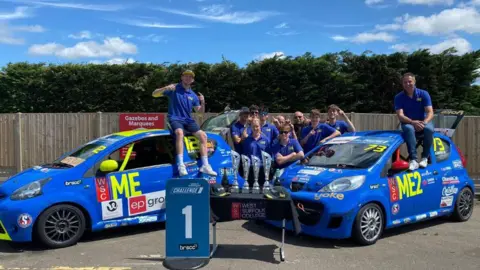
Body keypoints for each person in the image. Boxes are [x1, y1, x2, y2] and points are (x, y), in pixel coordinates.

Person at [152, 70, 217, 176]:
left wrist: (202, 102)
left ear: (193, 80)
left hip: (188, 120)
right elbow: (154, 94)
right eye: (185, 76)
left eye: (190, 77)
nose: (188, 78)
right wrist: (165, 88)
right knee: (179, 133)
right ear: (181, 77)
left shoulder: (193, 95)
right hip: (175, 118)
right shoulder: (174, 88)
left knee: (203, 136)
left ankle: (205, 165)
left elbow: (200, 113)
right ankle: (181, 164)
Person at [394, 72, 434, 170]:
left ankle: (425, 157)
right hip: (408, 123)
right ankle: (413, 160)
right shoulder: (398, 97)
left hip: (423, 121)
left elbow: (430, 112)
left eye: (409, 81)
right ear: (402, 84)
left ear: (414, 82)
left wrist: (424, 123)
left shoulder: (423, 94)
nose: (407, 84)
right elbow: (400, 115)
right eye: (405, 82)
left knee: (429, 129)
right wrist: (412, 122)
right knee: (408, 129)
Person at [242, 118, 271, 187]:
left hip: (262, 170)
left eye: (257, 126)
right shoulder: (247, 140)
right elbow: (245, 156)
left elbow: (269, 156)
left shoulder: (266, 140)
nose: (255, 128)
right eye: (253, 126)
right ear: (251, 127)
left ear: (260, 126)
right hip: (250, 170)